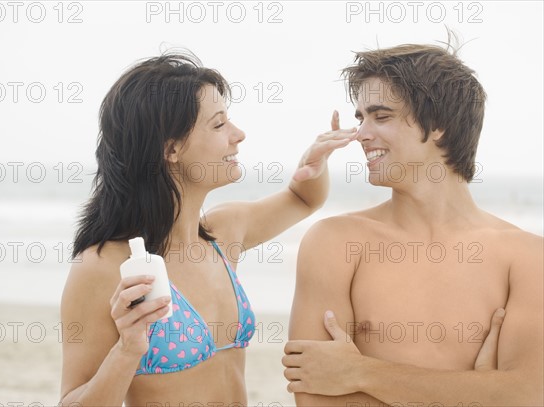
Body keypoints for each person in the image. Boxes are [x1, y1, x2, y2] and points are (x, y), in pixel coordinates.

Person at [58, 52, 357, 405]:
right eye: (218, 125)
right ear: (171, 149)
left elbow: (302, 199)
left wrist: (314, 164)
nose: (239, 134)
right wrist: (126, 351)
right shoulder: (105, 267)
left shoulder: (225, 232)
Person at [282, 43, 543, 406]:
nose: (361, 134)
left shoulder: (528, 258)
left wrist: (360, 372)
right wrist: (476, 392)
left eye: (381, 116)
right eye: (360, 118)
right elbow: (316, 399)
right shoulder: (334, 243)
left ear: (437, 124)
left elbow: (528, 396)